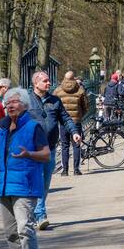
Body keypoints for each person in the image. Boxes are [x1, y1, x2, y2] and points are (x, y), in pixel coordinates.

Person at [0, 87, 48, 249]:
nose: (9, 105)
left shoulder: (33, 126)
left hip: (24, 185)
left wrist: (29, 154)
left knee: (25, 229)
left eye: (14, 101)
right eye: (7, 102)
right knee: (10, 232)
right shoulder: (1, 127)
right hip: (4, 185)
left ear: (25, 105)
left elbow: (46, 155)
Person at [27, 71, 80, 230]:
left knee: (44, 183)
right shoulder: (26, 101)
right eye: (45, 81)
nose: (49, 83)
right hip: (32, 150)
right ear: (36, 83)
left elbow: (65, 118)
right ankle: (40, 214)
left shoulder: (55, 100)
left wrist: (74, 132)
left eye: (48, 80)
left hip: (49, 148)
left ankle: (36, 214)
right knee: (36, 182)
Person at [54, 70, 88, 176]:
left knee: (65, 145)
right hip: (76, 121)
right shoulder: (80, 90)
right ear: (74, 78)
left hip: (63, 122)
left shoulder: (58, 90)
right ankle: (76, 169)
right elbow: (86, 106)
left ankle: (65, 170)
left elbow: (53, 105)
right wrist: (79, 115)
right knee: (76, 145)